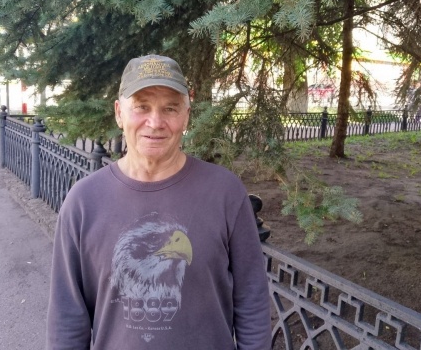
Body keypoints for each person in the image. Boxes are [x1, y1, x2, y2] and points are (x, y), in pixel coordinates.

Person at [46, 54, 271, 349]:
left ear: (186, 115)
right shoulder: (83, 202)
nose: (155, 122)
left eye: (170, 108)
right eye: (142, 106)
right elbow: (67, 318)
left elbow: (252, 299)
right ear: (119, 113)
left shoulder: (225, 193)